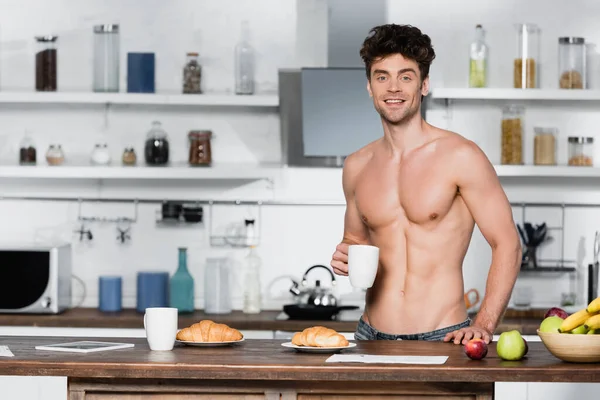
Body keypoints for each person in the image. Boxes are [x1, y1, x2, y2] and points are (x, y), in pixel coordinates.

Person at [330, 24, 522, 345]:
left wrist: (485, 324)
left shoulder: (461, 156)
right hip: (370, 335)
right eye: (382, 77)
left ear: (424, 85)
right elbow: (355, 239)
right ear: (369, 87)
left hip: (443, 336)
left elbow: (508, 244)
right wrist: (345, 256)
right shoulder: (356, 165)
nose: (393, 87)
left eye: (405, 76)